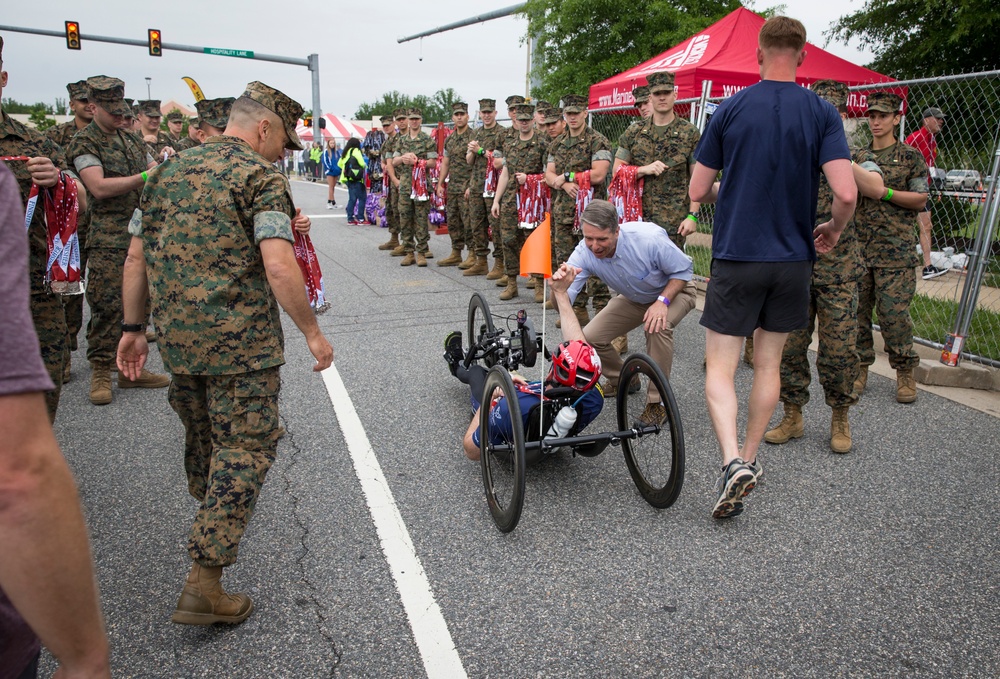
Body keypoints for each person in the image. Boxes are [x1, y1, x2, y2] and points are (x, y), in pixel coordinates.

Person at [116, 80, 334, 626]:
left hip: (181, 346)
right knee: (245, 449)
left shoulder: (165, 172)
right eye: (282, 140)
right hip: (245, 350)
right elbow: (280, 265)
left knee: (208, 445)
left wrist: (131, 327)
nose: (281, 153)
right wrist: (311, 331)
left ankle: (212, 517)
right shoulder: (258, 176)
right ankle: (205, 582)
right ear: (263, 127)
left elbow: (135, 259)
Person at [688, 16, 857, 519]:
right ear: (802, 55)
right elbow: (846, 192)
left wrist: (728, 189)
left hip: (738, 255)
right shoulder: (823, 112)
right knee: (768, 364)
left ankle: (730, 460)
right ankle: (753, 457)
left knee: (720, 366)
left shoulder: (730, 108)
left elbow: (698, 190)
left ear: (758, 55)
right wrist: (832, 228)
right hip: (793, 260)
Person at [0, 160, 111, 679]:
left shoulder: (28, 152)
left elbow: (81, 200)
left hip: (49, 287)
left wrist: (60, 180)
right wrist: (85, 659)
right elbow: (15, 475)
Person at [764, 80, 886, 454]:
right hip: (795, 268)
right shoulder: (790, 153)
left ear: (844, 117)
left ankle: (840, 417)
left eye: (830, 115)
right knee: (790, 347)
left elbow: (876, 189)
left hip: (840, 270)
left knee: (838, 351)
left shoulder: (858, 155)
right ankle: (792, 414)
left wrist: (835, 155)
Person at [66, 76, 171, 405]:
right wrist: (144, 177)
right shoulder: (84, 143)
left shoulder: (132, 141)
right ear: (93, 106)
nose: (118, 117)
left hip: (141, 233)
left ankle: (131, 373)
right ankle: (101, 368)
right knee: (108, 305)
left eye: (121, 110)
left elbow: (157, 169)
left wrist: (164, 168)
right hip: (109, 237)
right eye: (111, 111)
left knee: (141, 301)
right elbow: (97, 186)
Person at [445, 264, 604, 463]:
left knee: (477, 372)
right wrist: (560, 293)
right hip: (544, 406)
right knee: (515, 380)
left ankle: (456, 363)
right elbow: (580, 348)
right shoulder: (595, 397)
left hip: (513, 416)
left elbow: (471, 450)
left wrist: (492, 398)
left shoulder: (509, 408)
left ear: (553, 369)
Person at [559, 200, 697, 423]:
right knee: (590, 338)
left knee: (656, 327)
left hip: (675, 291)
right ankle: (625, 379)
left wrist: (662, 301)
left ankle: (657, 403)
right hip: (636, 298)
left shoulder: (648, 240)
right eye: (589, 238)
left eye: (602, 239)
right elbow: (564, 301)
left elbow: (683, 271)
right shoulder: (584, 251)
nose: (594, 246)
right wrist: (558, 289)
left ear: (616, 231)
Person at [853, 91, 928, 403]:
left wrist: (883, 193)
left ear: (897, 118)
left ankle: (904, 371)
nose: (876, 121)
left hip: (895, 252)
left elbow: (920, 199)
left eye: (883, 115)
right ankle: (859, 368)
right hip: (859, 250)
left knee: (894, 317)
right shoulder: (857, 157)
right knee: (857, 315)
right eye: (872, 115)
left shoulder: (910, 157)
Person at [544, 94, 614, 327]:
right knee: (567, 263)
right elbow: (549, 176)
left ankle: (605, 318)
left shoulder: (598, 140)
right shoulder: (557, 143)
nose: (572, 117)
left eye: (577, 113)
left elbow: (598, 174)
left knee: (597, 266)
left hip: (592, 215)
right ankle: (577, 310)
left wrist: (569, 175)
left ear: (585, 113)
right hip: (564, 213)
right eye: (569, 113)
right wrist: (563, 183)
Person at [45, 79, 94, 386]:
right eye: (82, 100)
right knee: (64, 290)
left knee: (83, 292)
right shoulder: (55, 136)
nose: (88, 104)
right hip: (62, 228)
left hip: (93, 223)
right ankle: (61, 354)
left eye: (92, 99)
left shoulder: (109, 136)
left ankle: (74, 340)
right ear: (72, 104)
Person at [491, 102, 547, 301]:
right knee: (508, 240)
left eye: (527, 119)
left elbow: (549, 173)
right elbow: (505, 173)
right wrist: (496, 200)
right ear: (516, 120)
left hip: (533, 200)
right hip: (511, 199)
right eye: (520, 119)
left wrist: (531, 179)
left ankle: (539, 284)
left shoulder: (543, 142)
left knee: (534, 240)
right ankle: (512, 283)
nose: (523, 123)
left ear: (533, 120)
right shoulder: (510, 142)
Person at [904, 107, 948, 279]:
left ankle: (927, 265)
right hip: (911, 188)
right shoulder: (916, 137)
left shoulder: (932, 140)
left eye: (941, 118)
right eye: (937, 118)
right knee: (917, 225)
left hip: (923, 188)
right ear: (926, 120)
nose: (940, 122)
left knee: (926, 225)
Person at [464, 98, 505, 277]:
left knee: (495, 226)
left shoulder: (502, 133)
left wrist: (481, 150)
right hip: (477, 185)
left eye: (490, 112)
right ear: (480, 114)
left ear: (495, 113)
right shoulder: (477, 133)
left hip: (494, 187)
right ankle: (481, 261)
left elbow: (499, 162)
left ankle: (500, 263)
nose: (487, 115)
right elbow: (469, 161)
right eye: (484, 112)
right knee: (477, 224)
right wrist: (472, 151)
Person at [391, 107, 437, 266]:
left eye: (417, 118)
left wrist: (417, 162)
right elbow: (394, 161)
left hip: (421, 185)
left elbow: (433, 162)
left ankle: (422, 252)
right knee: (405, 216)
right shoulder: (401, 140)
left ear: (421, 120)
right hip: (405, 185)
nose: (414, 121)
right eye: (412, 119)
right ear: (408, 121)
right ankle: (409, 251)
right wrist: (403, 158)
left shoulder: (427, 140)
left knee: (421, 218)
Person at [436, 101, 475, 268]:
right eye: (456, 115)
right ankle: (456, 252)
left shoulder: (473, 137)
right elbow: (445, 162)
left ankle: (473, 254)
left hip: (467, 185)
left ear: (467, 116)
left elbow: (478, 165)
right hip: (452, 187)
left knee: (469, 222)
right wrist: (440, 184)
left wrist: (471, 185)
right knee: (453, 221)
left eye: (462, 114)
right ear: (453, 117)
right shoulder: (450, 139)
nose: (459, 117)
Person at [379, 109, 407, 254]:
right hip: (390, 180)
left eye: (388, 125)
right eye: (384, 126)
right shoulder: (386, 143)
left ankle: (406, 242)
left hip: (402, 178)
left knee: (402, 210)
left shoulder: (400, 139)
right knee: (391, 209)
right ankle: (394, 237)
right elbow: (384, 160)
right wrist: (383, 165)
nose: (386, 128)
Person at [339, 137, 367, 224]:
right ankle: (360, 218)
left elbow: (339, 163)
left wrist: (347, 170)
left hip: (347, 177)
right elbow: (362, 163)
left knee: (352, 198)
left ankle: (350, 218)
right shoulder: (356, 151)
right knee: (362, 197)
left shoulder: (346, 151)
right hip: (356, 178)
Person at [322, 139, 340, 209]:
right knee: (331, 186)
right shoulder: (326, 151)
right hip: (330, 171)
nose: (332, 144)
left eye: (333, 143)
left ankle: (331, 201)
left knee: (333, 187)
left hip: (336, 170)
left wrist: (338, 169)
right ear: (328, 144)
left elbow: (339, 160)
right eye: (331, 143)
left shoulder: (336, 152)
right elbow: (325, 161)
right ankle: (331, 202)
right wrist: (330, 168)